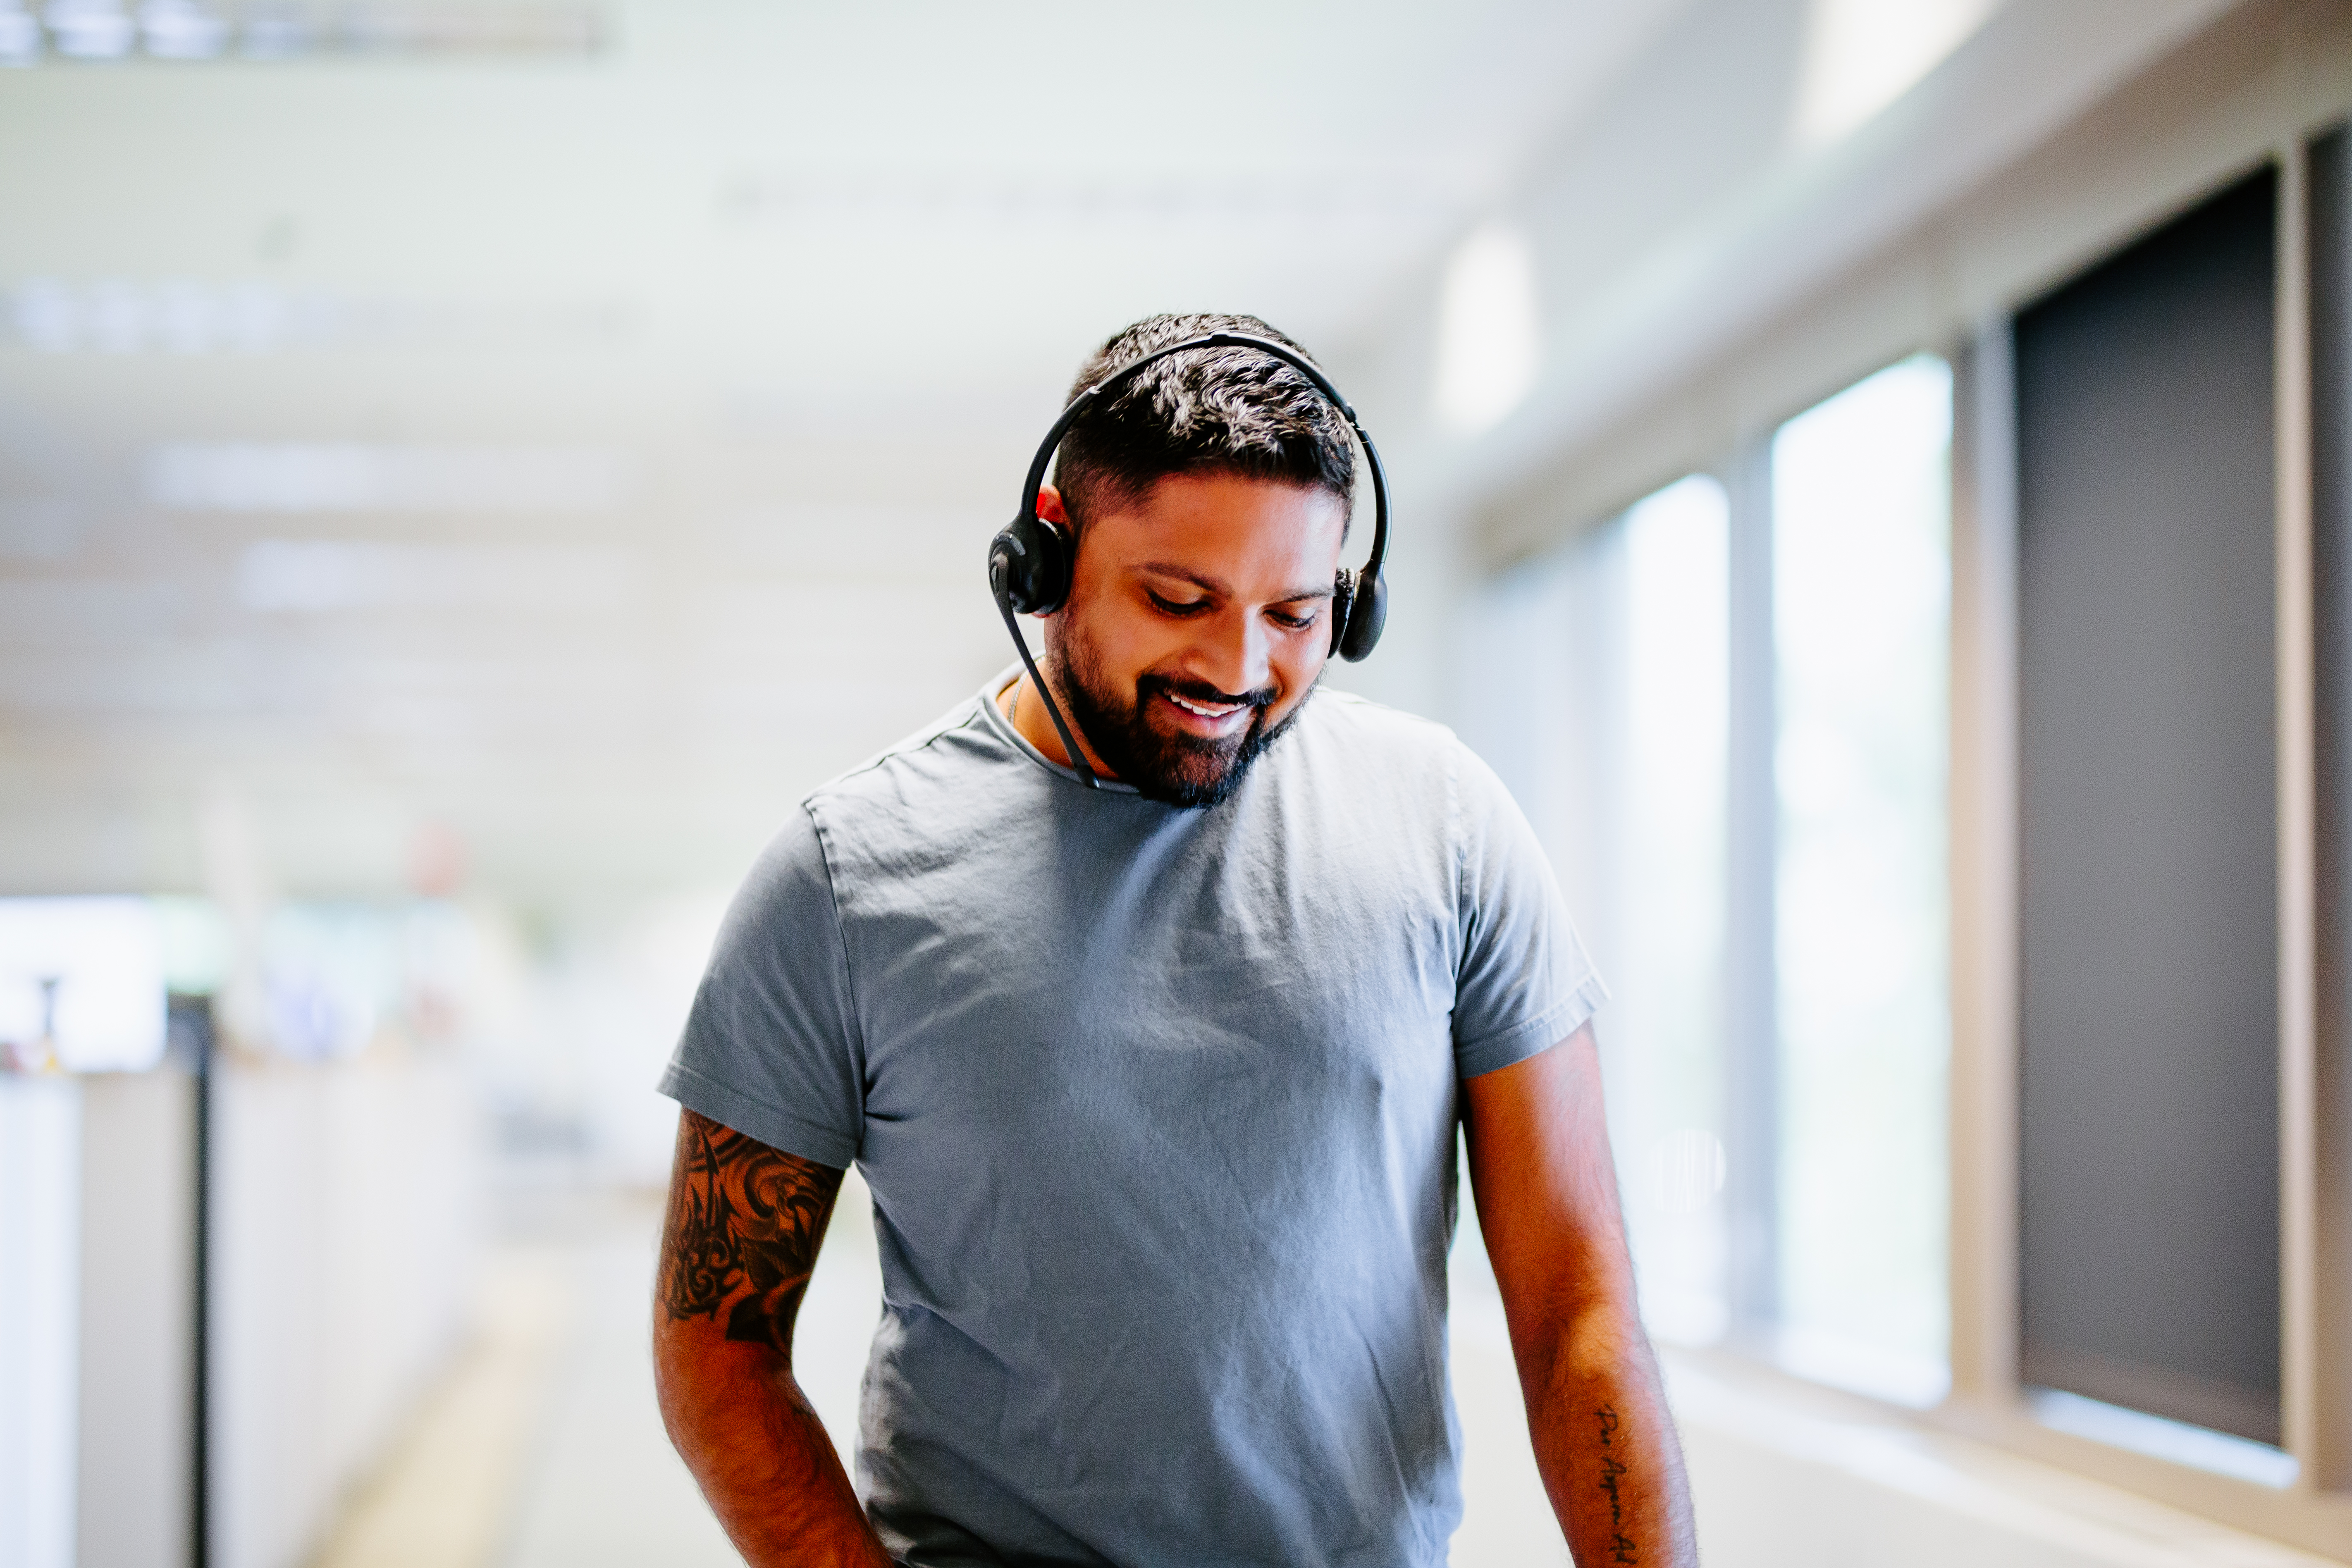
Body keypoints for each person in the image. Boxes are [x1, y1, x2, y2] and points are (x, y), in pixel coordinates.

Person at [652, 311, 1696, 1568]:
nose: (1236, 663)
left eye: (1295, 613)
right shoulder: (843, 877)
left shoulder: (1447, 826)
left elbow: (1577, 1307)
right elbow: (717, 1349)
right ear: (1045, 551)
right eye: (1177, 597)